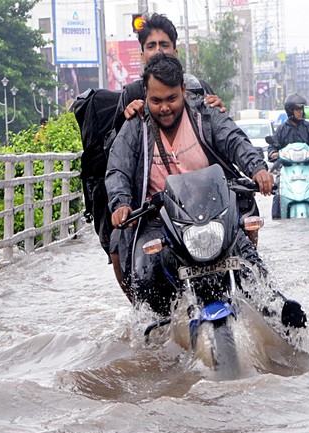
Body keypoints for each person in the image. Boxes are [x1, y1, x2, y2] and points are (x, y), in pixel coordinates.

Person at [105, 53, 277, 318]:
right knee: (146, 277)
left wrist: (258, 168)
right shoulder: (136, 126)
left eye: (172, 98)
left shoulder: (204, 114)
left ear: (183, 90)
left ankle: (278, 315)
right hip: (158, 220)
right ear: (145, 96)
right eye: (156, 100)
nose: (164, 108)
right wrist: (120, 203)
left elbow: (234, 139)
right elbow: (118, 168)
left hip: (213, 215)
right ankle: (155, 332)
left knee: (252, 268)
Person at [112, 13, 224, 135]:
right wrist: (125, 120)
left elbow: (220, 139)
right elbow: (113, 146)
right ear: (142, 57)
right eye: (151, 46)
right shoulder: (131, 94)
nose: (158, 51)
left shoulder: (198, 87)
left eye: (164, 45)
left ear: (175, 53)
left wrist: (218, 113)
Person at [267, 93, 309, 219]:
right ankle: (277, 219)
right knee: (278, 193)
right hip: (287, 168)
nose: (301, 112)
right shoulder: (282, 129)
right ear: (290, 111)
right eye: (297, 109)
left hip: (306, 167)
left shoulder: (308, 127)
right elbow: (274, 144)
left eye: (301, 109)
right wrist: (273, 152)